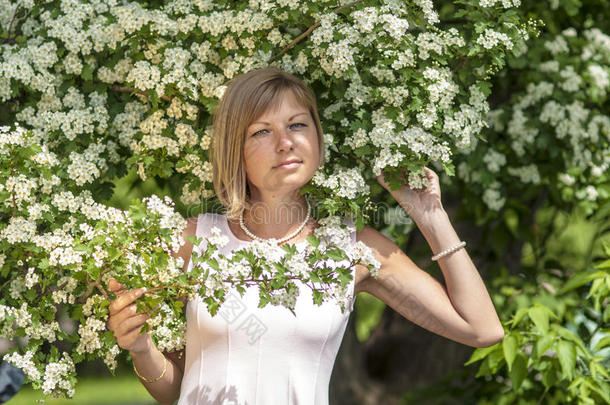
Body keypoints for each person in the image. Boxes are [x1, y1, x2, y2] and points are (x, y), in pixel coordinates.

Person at [106, 67, 504, 405]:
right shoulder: (191, 243)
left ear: (316, 137)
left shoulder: (354, 249)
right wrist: (142, 350)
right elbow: (177, 389)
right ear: (235, 150)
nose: (286, 142)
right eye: (262, 132)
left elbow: (482, 329)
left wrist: (429, 215)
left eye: (298, 124)